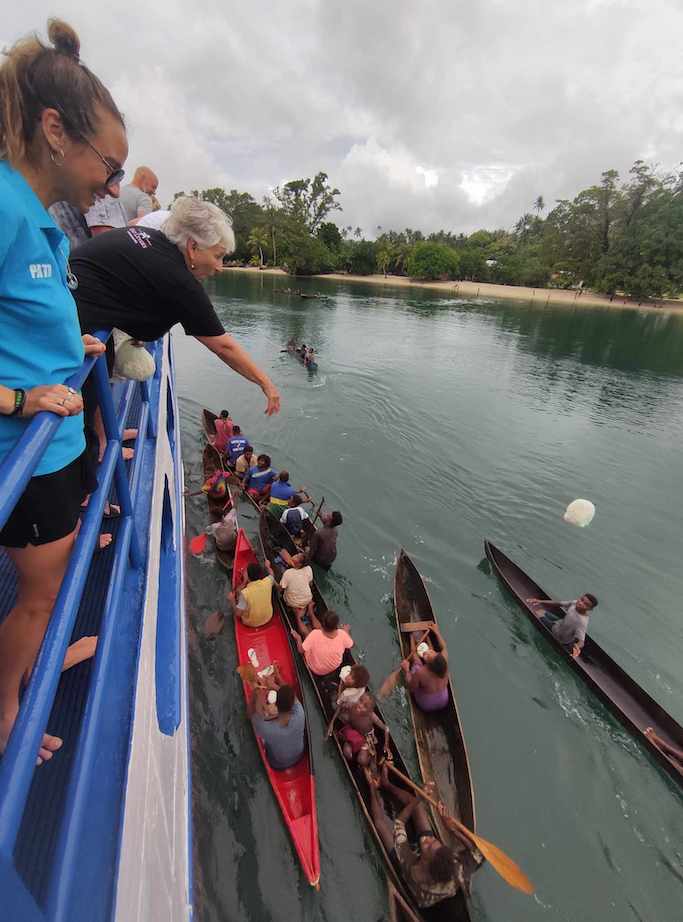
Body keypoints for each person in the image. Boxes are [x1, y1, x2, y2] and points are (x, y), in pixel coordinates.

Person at [0, 17, 127, 764]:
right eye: (109, 165)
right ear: (55, 130)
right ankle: (7, 706)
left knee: (49, 589)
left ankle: (34, 663)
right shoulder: (7, 208)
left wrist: (60, 347)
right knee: (38, 598)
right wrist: (21, 400)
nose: (110, 185)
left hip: (52, 449)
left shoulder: (37, 215)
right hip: (24, 446)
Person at [70, 195, 280, 416]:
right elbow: (223, 346)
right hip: (74, 326)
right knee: (81, 421)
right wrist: (266, 383)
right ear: (193, 246)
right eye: (217, 256)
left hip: (66, 306)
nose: (219, 267)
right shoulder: (179, 280)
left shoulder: (152, 238)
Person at [367, 764, 463, 909]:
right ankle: (387, 784)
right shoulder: (455, 869)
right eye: (434, 841)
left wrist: (418, 798)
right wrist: (450, 828)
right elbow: (477, 853)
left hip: (413, 879)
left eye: (428, 846)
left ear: (424, 862)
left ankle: (372, 785)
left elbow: (399, 823)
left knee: (380, 825)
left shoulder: (412, 869)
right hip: (433, 876)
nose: (429, 840)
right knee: (417, 809)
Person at [248, 683, 305, 771]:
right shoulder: (300, 713)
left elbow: (250, 714)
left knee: (260, 727)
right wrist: (273, 685)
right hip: (299, 756)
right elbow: (293, 698)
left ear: (276, 705)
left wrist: (256, 696)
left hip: (278, 763)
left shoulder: (266, 728)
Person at [527, 593, 598, 657]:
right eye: (581, 599)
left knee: (538, 612)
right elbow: (559, 603)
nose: (580, 603)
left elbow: (581, 641)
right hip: (559, 624)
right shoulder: (574, 603)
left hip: (558, 634)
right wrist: (540, 601)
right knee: (542, 611)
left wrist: (577, 647)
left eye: (585, 604)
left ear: (590, 609)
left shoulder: (582, 622)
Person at [291, 609, 354, 677]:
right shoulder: (342, 634)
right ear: (337, 625)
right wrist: (346, 631)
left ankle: (298, 615)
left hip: (312, 666)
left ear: (323, 623)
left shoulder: (315, 634)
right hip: (327, 670)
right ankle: (310, 612)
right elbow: (350, 646)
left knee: (306, 634)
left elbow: (300, 650)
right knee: (313, 633)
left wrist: (298, 638)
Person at [402, 625, 449, 712]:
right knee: (428, 653)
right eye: (431, 652)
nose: (426, 653)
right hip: (444, 700)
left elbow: (411, 688)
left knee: (416, 662)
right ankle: (426, 636)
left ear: (429, 666)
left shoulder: (421, 672)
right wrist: (437, 632)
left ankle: (411, 637)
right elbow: (444, 647)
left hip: (427, 704)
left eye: (426, 656)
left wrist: (406, 670)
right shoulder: (444, 659)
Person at [340, 693, 390, 768]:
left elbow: (386, 729)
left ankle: (371, 758)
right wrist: (332, 724)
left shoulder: (371, 716)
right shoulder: (352, 704)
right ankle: (352, 752)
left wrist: (386, 745)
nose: (360, 705)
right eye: (360, 700)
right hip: (352, 731)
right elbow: (340, 705)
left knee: (362, 760)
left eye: (365, 706)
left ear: (369, 711)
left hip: (366, 738)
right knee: (347, 754)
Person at [229, 561, 274, 628]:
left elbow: (238, 614)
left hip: (251, 623)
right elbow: (272, 575)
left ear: (248, 577)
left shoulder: (244, 593)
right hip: (268, 617)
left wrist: (232, 600)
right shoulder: (267, 582)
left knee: (238, 592)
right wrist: (268, 567)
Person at [272, 553, 314, 621]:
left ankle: (296, 612)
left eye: (297, 556)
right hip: (308, 599)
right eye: (297, 554)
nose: (295, 555)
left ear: (300, 564)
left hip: (292, 602)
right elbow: (310, 584)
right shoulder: (309, 569)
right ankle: (305, 609)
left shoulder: (288, 573)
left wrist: (272, 578)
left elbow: (279, 589)